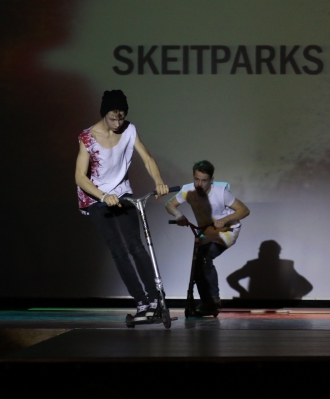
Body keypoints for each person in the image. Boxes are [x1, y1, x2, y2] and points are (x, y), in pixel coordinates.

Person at [75, 90, 169, 321]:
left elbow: (147, 159)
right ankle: (141, 302)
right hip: (96, 197)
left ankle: (155, 298)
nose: (118, 124)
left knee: (136, 245)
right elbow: (80, 177)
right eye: (112, 119)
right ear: (104, 114)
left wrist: (159, 181)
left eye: (121, 118)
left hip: (122, 193)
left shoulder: (129, 130)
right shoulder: (88, 137)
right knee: (119, 250)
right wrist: (103, 196)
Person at [165, 160, 249, 316]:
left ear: (211, 180)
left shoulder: (221, 192)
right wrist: (178, 215)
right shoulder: (188, 190)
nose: (199, 184)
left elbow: (244, 210)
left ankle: (213, 300)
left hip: (226, 231)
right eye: (196, 179)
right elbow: (170, 204)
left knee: (204, 258)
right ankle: (206, 303)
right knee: (197, 265)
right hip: (206, 231)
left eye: (204, 180)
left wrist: (225, 219)